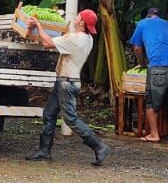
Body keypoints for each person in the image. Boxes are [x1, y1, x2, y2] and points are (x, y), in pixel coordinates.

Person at [25, 9, 109, 165]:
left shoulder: (75, 39)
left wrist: (38, 25)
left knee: (70, 119)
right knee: (49, 114)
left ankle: (99, 146)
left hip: (66, 82)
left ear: (82, 22)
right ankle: (44, 151)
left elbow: (48, 43)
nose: (75, 18)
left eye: (78, 16)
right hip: (64, 80)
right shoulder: (88, 39)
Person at [129, 6, 168, 142]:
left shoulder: (142, 23)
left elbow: (137, 48)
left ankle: (154, 134)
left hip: (158, 65)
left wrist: (142, 63)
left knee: (152, 103)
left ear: (148, 16)